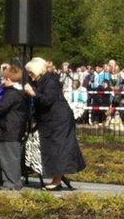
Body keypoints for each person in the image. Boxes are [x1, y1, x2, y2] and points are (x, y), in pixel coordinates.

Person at [24, 57, 85, 191]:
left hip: (59, 120)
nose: (30, 76)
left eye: (30, 73)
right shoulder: (43, 80)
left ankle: (56, 181)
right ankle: (55, 178)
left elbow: (47, 100)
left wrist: (33, 94)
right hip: (51, 119)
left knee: (59, 149)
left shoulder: (50, 80)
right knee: (55, 148)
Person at [0, 65, 28, 190]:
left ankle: (12, 184)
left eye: (4, 79)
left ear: (8, 79)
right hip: (15, 129)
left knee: (8, 159)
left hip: (10, 130)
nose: (2, 81)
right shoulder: (20, 93)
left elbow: (0, 110)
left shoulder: (11, 94)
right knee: (11, 157)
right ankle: (12, 183)